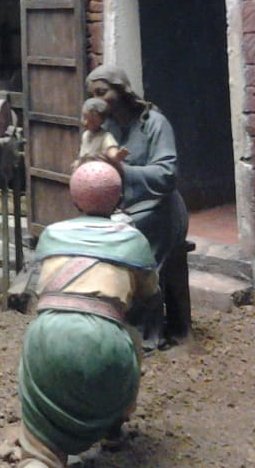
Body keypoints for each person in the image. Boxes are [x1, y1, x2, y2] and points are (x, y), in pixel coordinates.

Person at [18, 160, 158, 468]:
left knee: (39, 440)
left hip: (47, 333)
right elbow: (150, 294)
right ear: (118, 199)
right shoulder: (133, 240)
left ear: (73, 200)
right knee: (130, 346)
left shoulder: (52, 234)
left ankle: (40, 455)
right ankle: (113, 426)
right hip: (106, 336)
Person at [84, 63, 190, 349]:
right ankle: (109, 320)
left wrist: (123, 171)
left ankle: (143, 333)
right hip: (123, 210)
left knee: (135, 251)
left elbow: (167, 175)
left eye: (102, 92)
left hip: (161, 209)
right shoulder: (105, 128)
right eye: (92, 95)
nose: (97, 101)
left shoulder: (154, 123)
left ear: (122, 90)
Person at [74, 97, 129, 169]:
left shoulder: (105, 137)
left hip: (98, 170)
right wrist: (78, 162)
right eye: (84, 117)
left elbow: (112, 153)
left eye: (92, 121)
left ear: (102, 121)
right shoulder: (85, 135)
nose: (85, 123)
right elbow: (82, 155)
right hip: (85, 169)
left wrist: (117, 155)